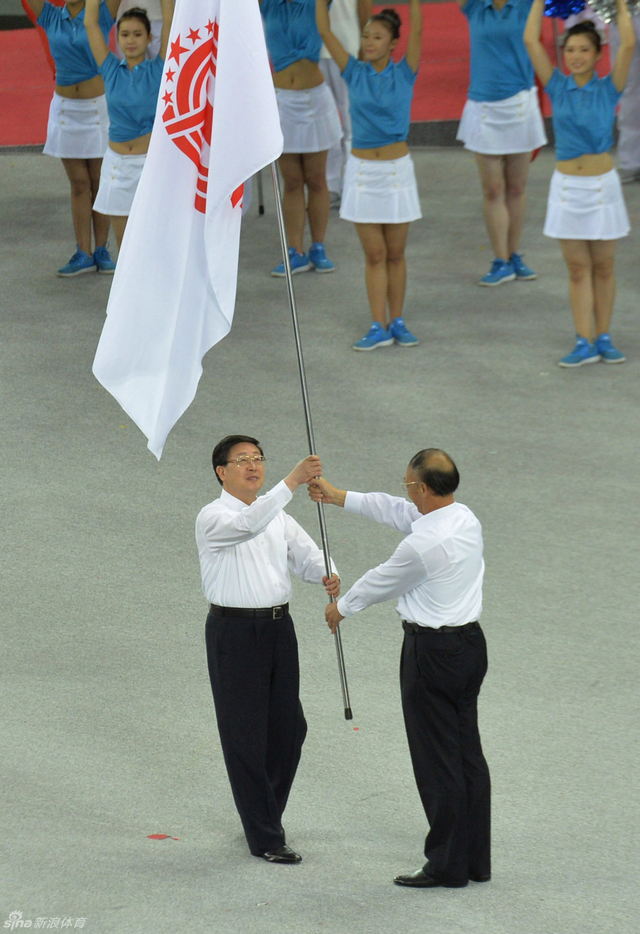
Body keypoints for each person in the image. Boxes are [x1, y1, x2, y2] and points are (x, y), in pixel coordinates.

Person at [308, 449, 490, 889]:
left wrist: (341, 608)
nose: (405, 493)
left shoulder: (423, 546)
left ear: (424, 488)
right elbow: (397, 510)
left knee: (437, 762)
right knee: (467, 756)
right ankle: (474, 860)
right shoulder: (463, 517)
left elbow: (382, 579)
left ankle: (447, 865)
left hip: (432, 655)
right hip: (469, 647)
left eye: (409, 486)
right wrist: (339, 497)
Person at [196, 435, 340, 863]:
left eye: (258, 459)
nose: (253, 466)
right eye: (242, 460)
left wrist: (328, 574)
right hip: (234, 634)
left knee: (289, 728)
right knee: (244, 735)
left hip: (280, 630)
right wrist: (292, 480)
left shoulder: (277, 516)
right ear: (222, 471)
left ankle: (262, 813)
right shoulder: (213, 516)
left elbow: (309, 557)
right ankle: (265, 836)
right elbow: (249, 524)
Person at [524, 0, 634, 367]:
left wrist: (621, 5)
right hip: (568, 190)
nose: (575, 56)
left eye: (584, 50)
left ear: (598, 53)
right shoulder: (557, 86)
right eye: (569, 50)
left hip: (603, 189)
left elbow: (629, 45)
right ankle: (583, 340)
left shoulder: (609, 88)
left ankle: (603, 336)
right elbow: (530, 40)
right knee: (576, 269)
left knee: (603, 267)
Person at [317, 1, 423, 351]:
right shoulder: (353, 71)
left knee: (396, 254)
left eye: (378, 37)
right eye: (366, 36)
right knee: (374, 255)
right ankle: (378, 324)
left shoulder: (405, 71)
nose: (369, 42)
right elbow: (324, 29)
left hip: (397, 173)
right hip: (362, 174)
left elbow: (419, 31)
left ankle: (398, 320)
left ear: (394, 43)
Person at [454, 0, 547, 286]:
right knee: (493, 189)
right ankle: (500, 260)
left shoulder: (526, 6)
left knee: (516, 188)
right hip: (483, 109)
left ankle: (513, 254)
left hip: (520, 106)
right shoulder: (474, 7)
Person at [26, 0, 121, 276]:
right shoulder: (50, 16)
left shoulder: (102, 13)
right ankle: (83, 252)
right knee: (79, 185)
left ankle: (102, 250)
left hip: (98, 110)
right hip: (66, 111)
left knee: (99, 181)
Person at [259, 0, 343, 277]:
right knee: (292, 182)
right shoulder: (267, 5)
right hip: (282, 103)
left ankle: (318, 246)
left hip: (315, 102)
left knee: (317, 180)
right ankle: (294, 251)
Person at [85, 0, 172, 251]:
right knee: (126, 246)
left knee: (154, 244)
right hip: (117, 169)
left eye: (137, 34)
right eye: (124, 34)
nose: (130, 40)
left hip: (151, 166)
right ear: (118, 38)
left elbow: (170, 21)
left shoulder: (160, 69)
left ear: (149, 38)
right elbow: (90, 23)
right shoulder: (110, 69)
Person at [318, 0, 372, 204]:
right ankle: (331, 183)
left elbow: (364, 5)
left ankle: (355, 181)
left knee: (352, 120)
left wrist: (365, 44)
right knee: (325, 122)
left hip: (348, 46)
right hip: (313, 48)